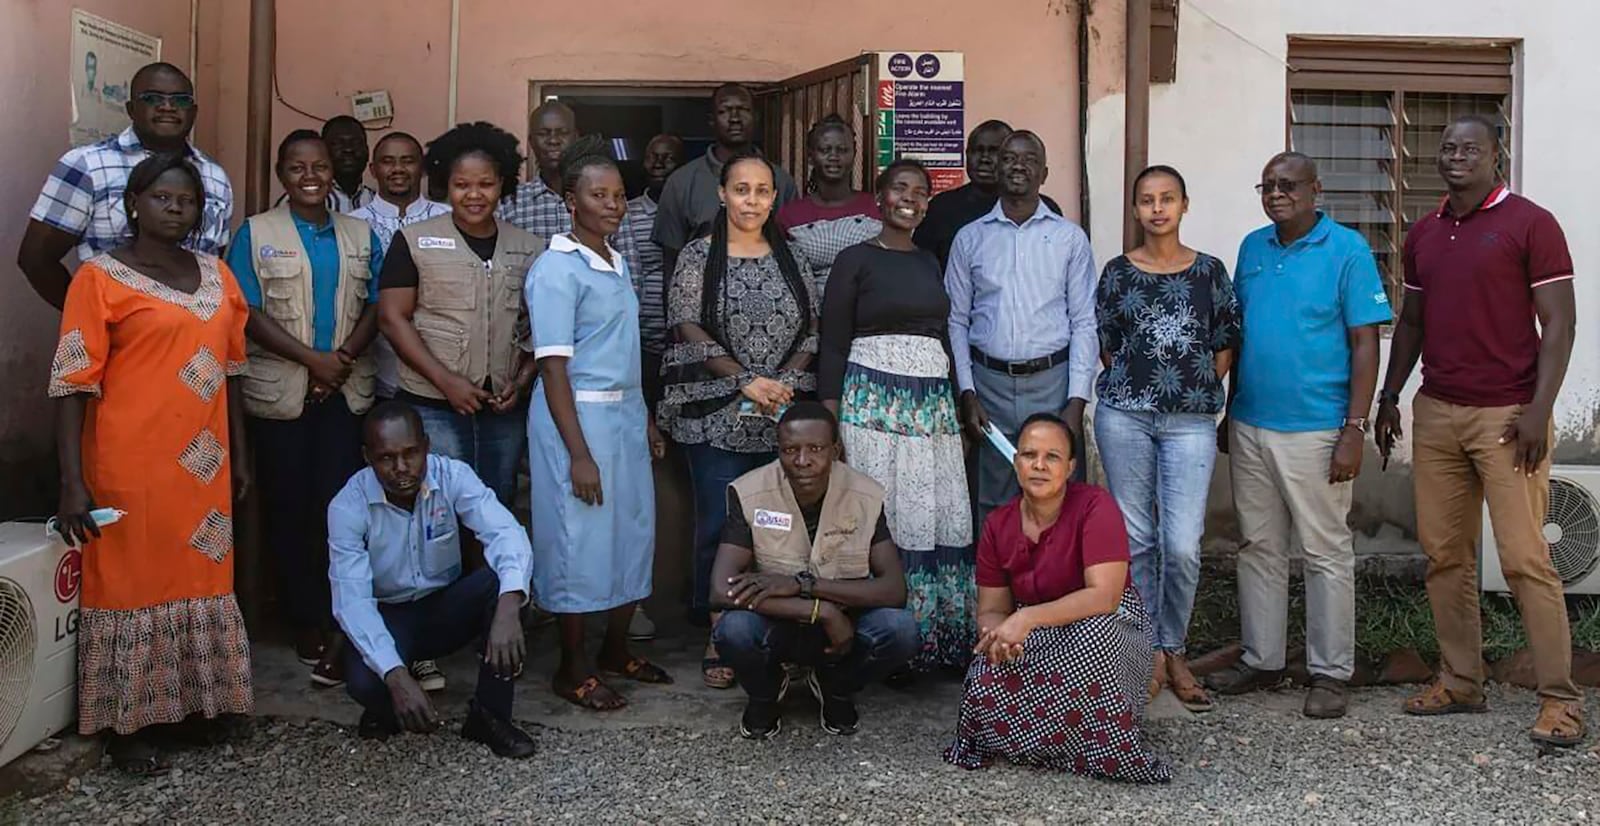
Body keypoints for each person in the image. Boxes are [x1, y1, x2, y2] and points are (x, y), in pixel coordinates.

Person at [1376, 115, 1585, 747]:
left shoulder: (1531, 223)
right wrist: (1390, 394)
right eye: (1447, 148)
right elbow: (1411, 321)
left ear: (1499, 157)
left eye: (1471, 148)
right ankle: (1462, 681)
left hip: (1507, 418)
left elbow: (1561, 325)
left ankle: (1560, 701)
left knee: (1526, 561)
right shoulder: (1426, 233)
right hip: (1437, 411)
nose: (1456, 156)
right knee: (1445, 557)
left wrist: (1538, 411)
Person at [50, 153, 253, 776]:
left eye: (187, 200)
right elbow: (71, 383)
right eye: (162, 197)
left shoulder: (218, 275)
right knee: (131, 583)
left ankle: (196, 707)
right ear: (133, 202)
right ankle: (127, 723)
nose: (175, 208)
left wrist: (241, 456)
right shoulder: (99, 278)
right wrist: (71, 482)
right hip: (127, 463)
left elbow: (233, 374)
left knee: (201, 580)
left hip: (204, 463)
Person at [1205, 152, 1391, 720]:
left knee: (1324, 549)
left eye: (1288, 185)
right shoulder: (1253, 248)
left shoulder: (1348, 251)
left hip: (1317, 428)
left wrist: (1354, 429)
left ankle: (1330, 671)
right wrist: (1231, 410)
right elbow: (1240, 336)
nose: (1277, 194)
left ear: (1315, 189)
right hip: (1253, 422)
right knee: (1258, 545)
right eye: (1268, 186)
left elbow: (1366, 342)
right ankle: (1263, 658)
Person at [226, 130, 385, 689]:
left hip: (345, 392)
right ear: (281, 173)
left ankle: (345, 617)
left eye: (318, 165)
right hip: (281, 397)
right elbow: (244, 311)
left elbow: (378, 306)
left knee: (342, 510)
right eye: (297, 167)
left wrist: (338, 360)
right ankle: (304, 618)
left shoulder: (361, 233)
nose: (310, 175)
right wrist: (312, 361)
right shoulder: (255, 233)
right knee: (291, 510)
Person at [658, 152, 817, 689]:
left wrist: (784, 383)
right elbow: (686, 326)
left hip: (780, 415)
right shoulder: (699, 255)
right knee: (719, 526)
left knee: (779, 529)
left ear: (775, 198)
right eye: (742, 189)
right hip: (716, 415)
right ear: (722, 195)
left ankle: (776, 630)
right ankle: (720, 629)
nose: (752, 200)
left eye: (762, 191)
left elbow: (812, 328)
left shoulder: (791, 255)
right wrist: (745, 378)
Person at [943, 414, 1170, 783]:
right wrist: (999, 635)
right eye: (1029, 454)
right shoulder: (998, 524)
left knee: (1094, 642)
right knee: (982, 677)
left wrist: (1026, 619)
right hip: (1035, 631)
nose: (1039, 465)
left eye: (1052, 457)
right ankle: (1067, 735)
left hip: (1106, 626)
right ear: (1016, 463)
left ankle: (1105, 729)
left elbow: (1105, 596)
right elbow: (992, 609)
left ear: (1070, 467)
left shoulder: (1096, 506)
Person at [526, 136, 672, 711]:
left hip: (624, 414)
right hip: (577, 418)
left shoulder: (615, 261)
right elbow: (554, 367)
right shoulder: (557, 268)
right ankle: (572, 666)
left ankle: (615, 648)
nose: (613, 204)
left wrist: (646, 421)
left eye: (618, 195)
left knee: (630, 533)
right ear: (570, 200)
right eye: (598, 194)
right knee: (578, 539)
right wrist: (578, 453)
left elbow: (622, 350)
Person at [1093, 165, 1239, 711]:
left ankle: (1173, 644)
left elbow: (1224, 343)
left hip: (1190, 421)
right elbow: (1109, 345)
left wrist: (1189, 391)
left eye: (1168, 199)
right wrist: (1142, 389)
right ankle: (1148, 653)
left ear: (1184, 205)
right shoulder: (1116, 273)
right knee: (1137, 541)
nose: (1158, 208)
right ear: (1134, 210)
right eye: (1147, 200)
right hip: (1124, 416)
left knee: (1181, 545)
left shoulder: (1210, 272)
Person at [818, 158, 973, 673]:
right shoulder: (854, 259)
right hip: (872, 407)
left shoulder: (931, 262)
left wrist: (955, 403)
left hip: (930, 412)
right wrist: (831, 418)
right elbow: (834, 343)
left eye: (921, 191)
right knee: (881, 514)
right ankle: (873, 644)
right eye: (900, 188)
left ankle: (928, 643)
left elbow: (946, 339)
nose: (911, 197)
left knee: (932, 512)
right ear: (879, 199)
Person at [326, 401, 537, 758]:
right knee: (365, 683)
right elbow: (353, 602)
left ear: (426, 446)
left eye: (411, 453)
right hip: (388, 615)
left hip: (444, 609)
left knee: (506, 588)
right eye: (386, 458)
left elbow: (506, 533)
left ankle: (489, 716)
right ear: (367, 457)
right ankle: (388, 708)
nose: (401, 468)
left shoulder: (453, 476)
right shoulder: (347, 506)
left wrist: (509, 604)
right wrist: (395, 675)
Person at [710, 403, 919, 739]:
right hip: (777, 622)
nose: (803, 460)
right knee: (732, 630)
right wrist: (820, 611)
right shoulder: (750, 492)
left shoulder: (865, 494)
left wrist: (805, 586)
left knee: (901, 630)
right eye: (790, 450)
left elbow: (894, 591)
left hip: (843, 631)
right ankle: (765, 694)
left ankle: (835, 688)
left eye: (816, 449)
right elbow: (721, 591)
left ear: (835, 450)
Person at [378, 121, 545, 507]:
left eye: (485, 184)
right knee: (438, 508)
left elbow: (542, 326)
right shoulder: (414, 241)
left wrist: (520, 383)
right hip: (432, 404)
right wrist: (446, 381)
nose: (473, 195)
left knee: (497, 506)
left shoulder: (529, 247)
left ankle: (491, 571)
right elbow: (391, 318)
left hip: (503, 409)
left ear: (502, 184)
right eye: (461, 185)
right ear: (444, 185)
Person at [946, 130, 1096, 527]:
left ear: (1044, 173)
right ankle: (997, 588)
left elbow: (1084, 322)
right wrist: (967, 391)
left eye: (1029, 159)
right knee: (994, 502)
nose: (1018, 165)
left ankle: (1050, 588)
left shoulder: (1069, 239)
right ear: (996, 167)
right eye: (1010, 157)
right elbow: (956, 321)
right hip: (988, 385)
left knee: (1053, 496)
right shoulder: (970, 238)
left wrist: (1077, 400)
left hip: (1052, 382)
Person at [21, 61, 233, 309]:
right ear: (131, 109)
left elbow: (214, 263)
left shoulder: (215, 177)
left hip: (197, 337)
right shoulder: (86, 165)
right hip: (119, 338)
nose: (167, 107)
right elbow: (36, 259)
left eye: (181, 100)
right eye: (152, 98)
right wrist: (90, 316)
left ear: (194, 112)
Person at [652, 83, 799, 281]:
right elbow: (671, 263)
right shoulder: (681, 182)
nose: (735, 119)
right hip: (699, 298)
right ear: (712, 120)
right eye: (725, 111)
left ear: (756, 117)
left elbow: (790, 252)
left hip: (768, 296)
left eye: (743, 110)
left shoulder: (781, 181)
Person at [349, 131, 452, 399]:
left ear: (423, 167)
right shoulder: (351, 226)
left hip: (442, 369)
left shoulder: (450, 221)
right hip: (371, 368)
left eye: (407, 161)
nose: (397, 169)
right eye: (387, 161)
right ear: (373, 169)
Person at [913, 120, 1062, 270]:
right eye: (977, 150)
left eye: (994, 152)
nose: (984, 159)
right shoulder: (941, 208)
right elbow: (922, 269)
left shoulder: (1043, 209)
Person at [776, 115, 881, 296]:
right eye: (825, 149)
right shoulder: (790, 215)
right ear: (810, 156)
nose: (834, 157)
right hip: (811, 316)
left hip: (868, 314)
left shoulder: (875, 208)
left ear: (854, 153)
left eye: (842, 149)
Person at [617, 133, 685, 407]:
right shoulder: (625, 213)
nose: (658, 163)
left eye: (668, 157)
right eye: (651, 157)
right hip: (639, 342)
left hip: (685, 341)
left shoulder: (691, 211)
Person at [500, 99, 579, 238]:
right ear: (531, 142)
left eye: (563, 132)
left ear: (576, 138)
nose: (553, 140)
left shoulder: (600, 200)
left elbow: (626, 258)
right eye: (543, 134)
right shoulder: (511, 203)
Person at [272, 116, 375, 212]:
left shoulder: (377, 201)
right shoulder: (296, 199)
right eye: (337, 144)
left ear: (367, 150)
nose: (348, 149)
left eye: (356, 143)